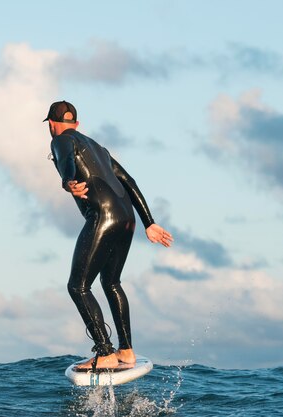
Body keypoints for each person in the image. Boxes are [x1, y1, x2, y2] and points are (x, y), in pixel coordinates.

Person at [45, 100, 173, 370]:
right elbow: (129, 181)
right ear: (77, 124)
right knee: (111, 282)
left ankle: (104, 351)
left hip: (102, 215)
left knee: (77, 287)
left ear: (52, 125)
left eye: (52, 126)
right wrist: (149, 222)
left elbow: (66, 158)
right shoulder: (98, 148)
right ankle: (126, 351)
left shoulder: (60, 140)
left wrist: (67, 182)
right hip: (127, 217)